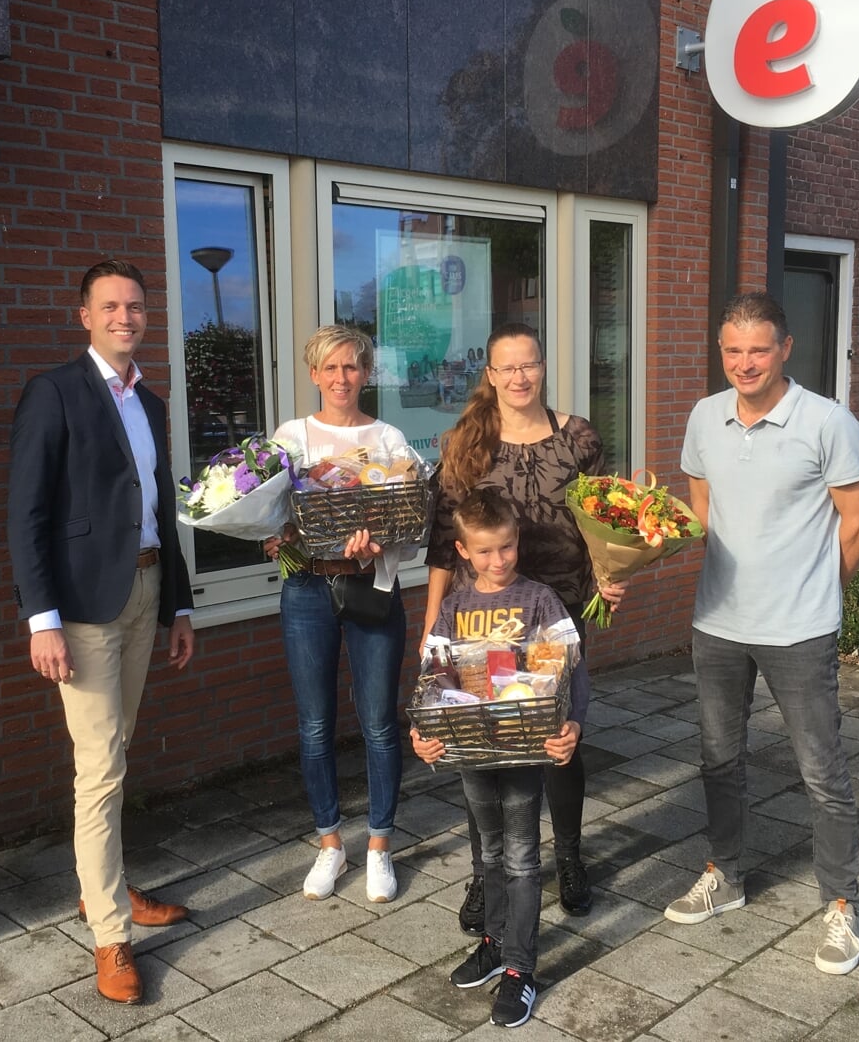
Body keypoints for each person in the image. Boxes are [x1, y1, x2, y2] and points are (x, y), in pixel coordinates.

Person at [664, 293, 859, 976]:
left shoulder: (828, 423)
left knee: (822, 771)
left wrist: (820, 591)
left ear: (785, 348)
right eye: (732, 349)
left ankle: (841, 908)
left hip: (799, 630)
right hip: (719, 622)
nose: (744, 363)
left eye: (758, 349)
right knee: (719, 760)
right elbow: (700, 505)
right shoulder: (705, 416)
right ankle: (724, 875)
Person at [6, 258, 195, 1005]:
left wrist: (179, 604)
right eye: (111, 306)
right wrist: (40, 619)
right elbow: (27, 513)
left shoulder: (150, 403)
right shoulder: (53, 393)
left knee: (115, 751)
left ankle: (100, 888)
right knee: (101, 765)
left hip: (147, 592)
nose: (126, 316)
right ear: (83, 314)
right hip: (82, 611)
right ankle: (111, 936)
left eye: (137, 306)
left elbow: (160, 509)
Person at [423, 323, 623, 929]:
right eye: (506, 368)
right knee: (480, 737)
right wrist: (433, 622)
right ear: (490, 374)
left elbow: (601, 520)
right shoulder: (466, 443)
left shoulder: (579, 437)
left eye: (528, 365)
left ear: (542, 366)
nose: (518, 378)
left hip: (557, 610)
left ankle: (569, 856)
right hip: (481, 616)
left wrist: (611, 575)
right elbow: (442, 540)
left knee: (559, 735)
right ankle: (486, 874)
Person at [411, 489, 588, 1029]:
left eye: (507, 547)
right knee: (486, 854)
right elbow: (433, 681)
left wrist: (573, 724)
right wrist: (422, 731)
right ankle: (493, 942)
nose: (499, 560)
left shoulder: (539, 600)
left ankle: (520, 969)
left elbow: (573, 670)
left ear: (518, 540)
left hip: (523, 753)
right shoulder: (455, 607)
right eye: (485, 551)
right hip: (470, 753)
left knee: (521, 857)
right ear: (463, 550)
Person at [262, 326, 412, 904]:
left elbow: (409, 521)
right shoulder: (291, 438)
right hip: (306, 590)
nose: (341, 378)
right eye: (330, 368)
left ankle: (378, 845)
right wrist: (273, 538)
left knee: (378, 722)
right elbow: (270, 515)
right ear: (313, 373)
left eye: (352, 367)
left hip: (371, 588)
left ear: (366, 372)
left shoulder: (390, 439)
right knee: (315, 724)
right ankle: (330, 843)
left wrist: (383, 544)